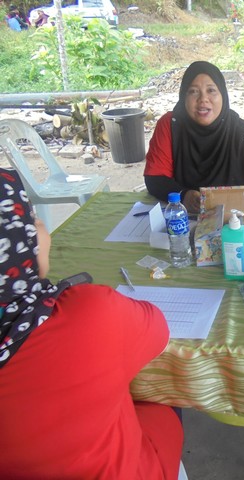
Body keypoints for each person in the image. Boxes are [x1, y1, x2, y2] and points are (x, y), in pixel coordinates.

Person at [0, 169, 184, 478]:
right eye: (31, 218)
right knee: (160, 396)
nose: (42, 228)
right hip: (124, 469)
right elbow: (158, 332)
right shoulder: (87, 313)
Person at [145, 61, 244, 213]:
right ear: (183, 96)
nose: (203, 99)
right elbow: (155, 178)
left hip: (235, 222)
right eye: (193, 91)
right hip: (183, 220)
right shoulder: (171, 125)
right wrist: (184, 196)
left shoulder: (243, 135)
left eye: (211, 90)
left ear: (223, 95)